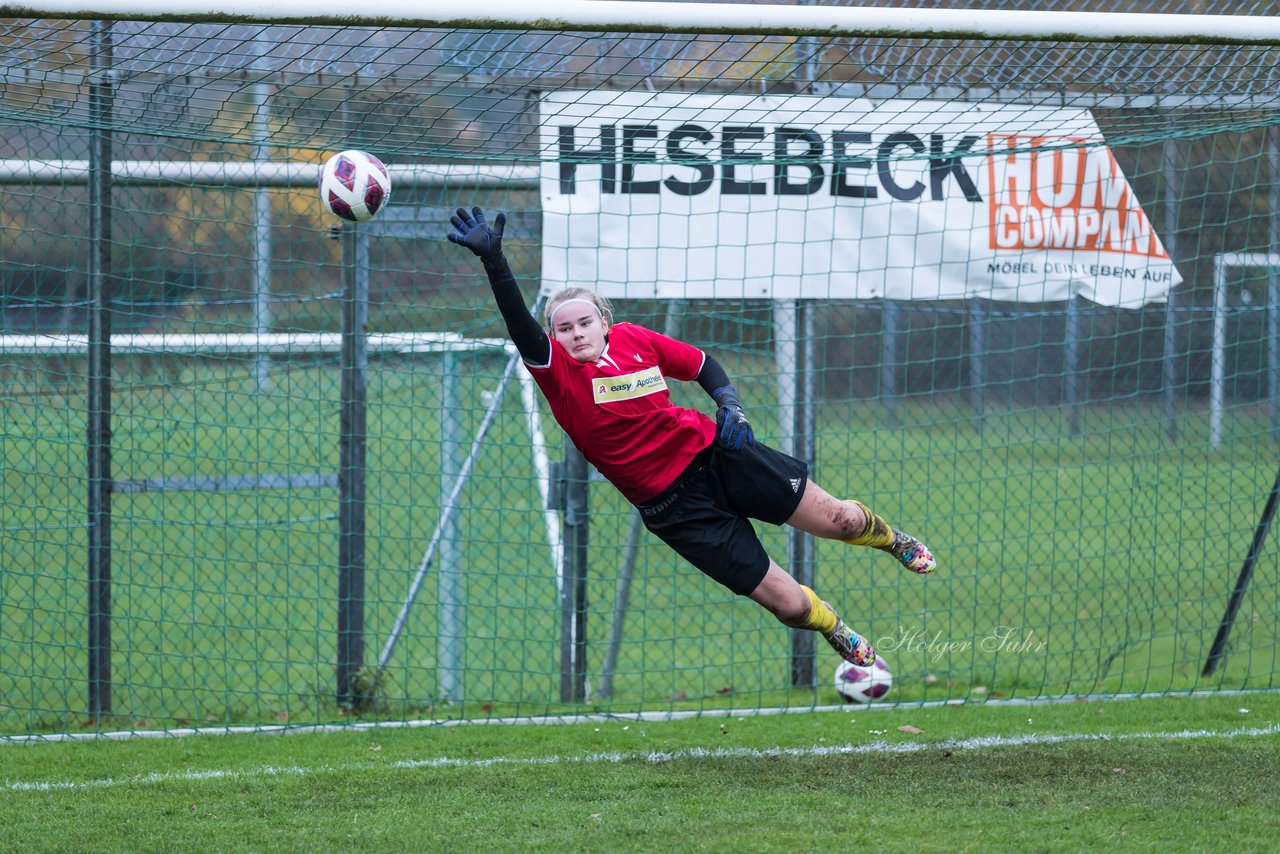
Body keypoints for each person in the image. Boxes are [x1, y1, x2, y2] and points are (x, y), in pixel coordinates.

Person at [446, 206, 935, 668]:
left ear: (604, 323)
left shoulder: (636, 339)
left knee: (843, 520)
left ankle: (892, 539)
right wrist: (496, 264)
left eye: (584, 322)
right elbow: (520, 327)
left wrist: (731, 406)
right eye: (563, 328)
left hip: (718, 455)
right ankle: (834, 625)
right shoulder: (556, 373)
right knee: (788, 605)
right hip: (676, 510)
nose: (575, 334)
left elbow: (703, 365)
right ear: (554, 339)